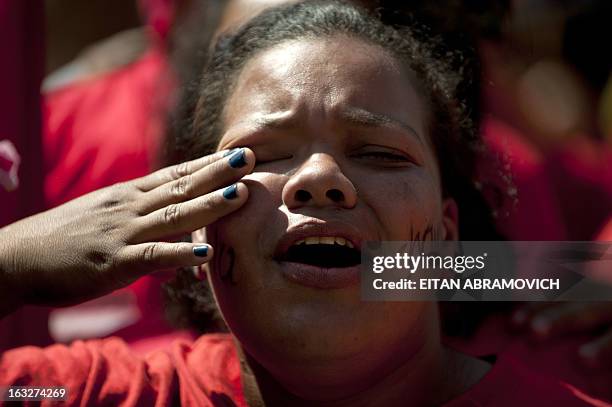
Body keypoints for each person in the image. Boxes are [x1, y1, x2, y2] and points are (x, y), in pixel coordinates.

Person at [0, 2, 607, 405]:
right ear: (188, 209)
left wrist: (589, 267)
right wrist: (13, 263)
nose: (320, 178)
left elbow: (527, 268)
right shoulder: (79, 392)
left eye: (381, 153)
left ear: (451, 233)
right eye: (259, 157)